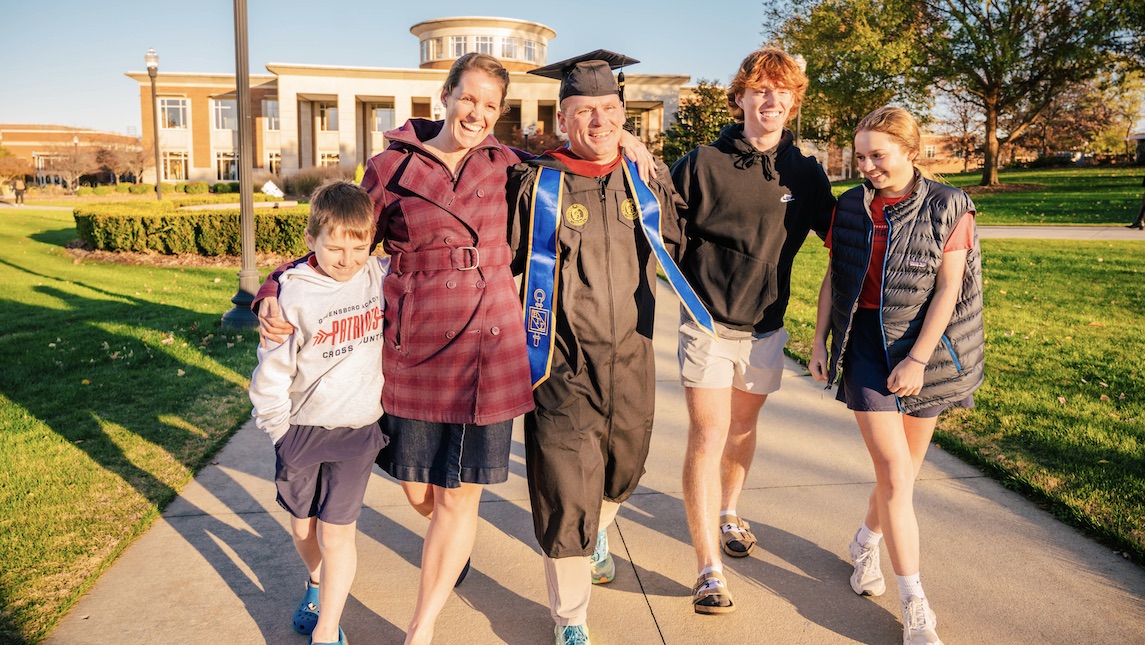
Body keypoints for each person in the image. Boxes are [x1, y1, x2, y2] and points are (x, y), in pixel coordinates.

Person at [256, 53, 653, 645]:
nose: (478, 113)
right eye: (469, 99)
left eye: (491, 106)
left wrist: (634, 150)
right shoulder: (390, 167)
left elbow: (586, 165)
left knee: (457, 501)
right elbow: (342, 243)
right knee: (421, 490)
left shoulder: (512, 165)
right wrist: (273, 288)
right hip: (415, 351)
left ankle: (423, 628)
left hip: (487, 353)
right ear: (444, 95)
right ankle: (445, 546)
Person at [508, 50, 716, 645]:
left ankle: (601, 530)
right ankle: (571, 619)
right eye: (584, 110)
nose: (598, 121)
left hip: (631, 357)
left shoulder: (643, 178)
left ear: (623, 114)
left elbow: (676, 244)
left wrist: (651, 171)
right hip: (560, 362)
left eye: (608, 109)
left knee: (623, 468)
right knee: (566, 489)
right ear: (562, 116)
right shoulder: (534, 183)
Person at [809, 106, 984, 645]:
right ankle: (914, 600)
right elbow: (834, 279)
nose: (867, 166)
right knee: (894, 472)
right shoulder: (850, 207)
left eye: (877, 156)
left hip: (924, 348)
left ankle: (864, 541)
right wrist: (819, 340)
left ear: (911, 151)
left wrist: (916, 359)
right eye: (860, 156)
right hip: (866, 344)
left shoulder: (949, 205)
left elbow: (950, 289)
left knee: (901, 473)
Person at [670, 47, 835, 615]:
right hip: (706, 323)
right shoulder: (700, 163)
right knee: (708, 434)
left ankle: (729, 511)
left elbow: (843, 243)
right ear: (739, 96)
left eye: (781, 91)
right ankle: (708, 569)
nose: (771, 100)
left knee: (742, 430)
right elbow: (659, 236)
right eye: (760, 89)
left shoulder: (805, 173)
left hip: (766, 328)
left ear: (793, 101)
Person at [249, 180, 391, 645]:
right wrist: (278, 432)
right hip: (302, 432)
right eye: (334, 247)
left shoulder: (377, 274)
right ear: (311, 241)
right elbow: (271, 371)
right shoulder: (292, 295)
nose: (347, 259)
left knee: (338, 535)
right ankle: (314, 583)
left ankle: (327, 630)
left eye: (358, 246)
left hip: (357, 430)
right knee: (302, 527)